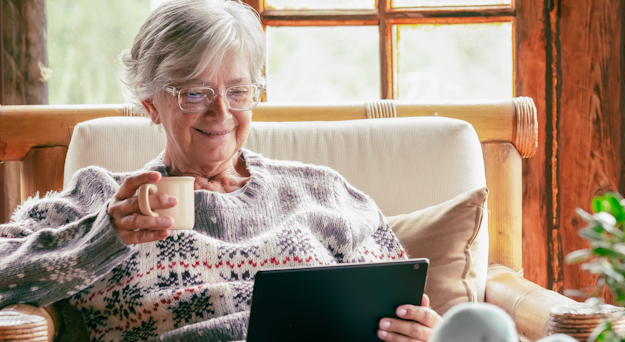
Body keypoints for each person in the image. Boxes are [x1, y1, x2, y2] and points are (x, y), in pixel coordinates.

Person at [0, 0, 441, 341]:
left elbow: (401, 300)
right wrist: (102, 239)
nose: (221, 112)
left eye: (238, 90)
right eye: (195, 93)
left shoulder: (322, 191)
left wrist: (420, 328)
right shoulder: (103, 198)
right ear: (151, 105)